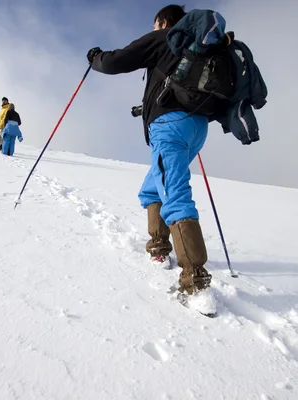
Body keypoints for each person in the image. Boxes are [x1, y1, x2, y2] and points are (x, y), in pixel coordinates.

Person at [87, 5, 215, 296]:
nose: (154, 27)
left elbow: (116, 61)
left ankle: (195, 279)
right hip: (196, 127)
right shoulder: (199, 48)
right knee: (153, 188)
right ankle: (159, 246)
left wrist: (96, 58)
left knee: (175, 194)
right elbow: (173, 85)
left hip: (169, 127)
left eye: (155, 23)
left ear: (164, 21)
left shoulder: (166, 37)